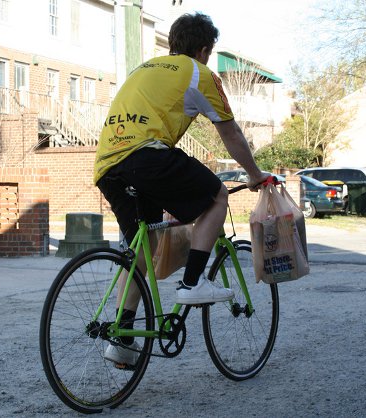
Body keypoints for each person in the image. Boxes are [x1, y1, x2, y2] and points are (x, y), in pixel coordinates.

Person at [94, 12, 269, 366]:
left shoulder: (144, 69)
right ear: (204, 50)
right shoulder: (200, 73)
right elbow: (231, 133)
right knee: (217, 195)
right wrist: (255, 174)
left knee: (144, 247)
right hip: (146, 158)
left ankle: (123, 338)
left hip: (108, 165)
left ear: (174, 44)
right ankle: (192, 283)